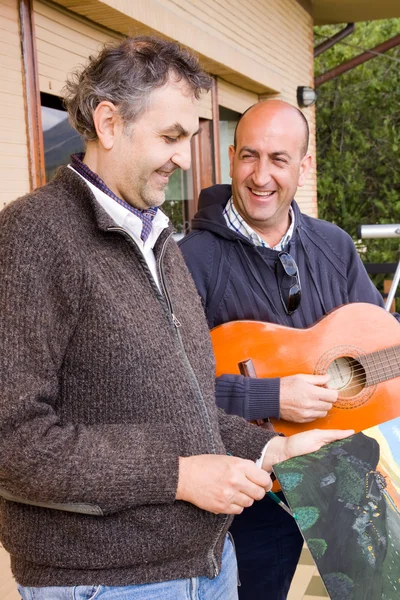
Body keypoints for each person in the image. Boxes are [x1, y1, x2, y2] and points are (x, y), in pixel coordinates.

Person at [0, 40, 352, 600]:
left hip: (209, 565)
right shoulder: (33, 236)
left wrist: (271, 450)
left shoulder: (158, 239)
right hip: (107, 584)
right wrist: (179, 476)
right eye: (171, 137)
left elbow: (190, 409)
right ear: (109, 123)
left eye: (189, 137)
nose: (186, 158)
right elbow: (13, 442)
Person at [179, 99, 392, 599]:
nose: (261, 175)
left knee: (373, 586)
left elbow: (377, 338)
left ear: (304, 165)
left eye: (279, 158)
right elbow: (169, 388)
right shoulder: (191, 261)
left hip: (342, 472)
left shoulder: (333, 246)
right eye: (249, 156)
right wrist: (271, 397)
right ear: (230, 157)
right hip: (250, 491)